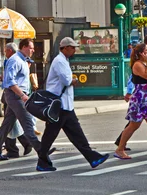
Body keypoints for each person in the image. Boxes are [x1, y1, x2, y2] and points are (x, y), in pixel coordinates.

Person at [37, 38, 109, 171]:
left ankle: (92, 157)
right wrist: (74, 79)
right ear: (64, 48)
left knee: (75, 133)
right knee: (51, 134)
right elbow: (67, 80)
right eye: (72, 47)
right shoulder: (59, 61)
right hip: (59, 105)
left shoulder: (64, 60)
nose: (74, 50)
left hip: (65, 105)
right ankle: (42, 160)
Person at [0, 39, 42, 160]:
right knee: (27, 123)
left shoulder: (23, 60)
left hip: (16, 95)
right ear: (23, 47)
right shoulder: (15, 60)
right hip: (16, 96)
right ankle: (41, 149)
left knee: (6, 125)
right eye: (31, 48)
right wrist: (22, 95)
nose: (33, 50)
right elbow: (10, 81)